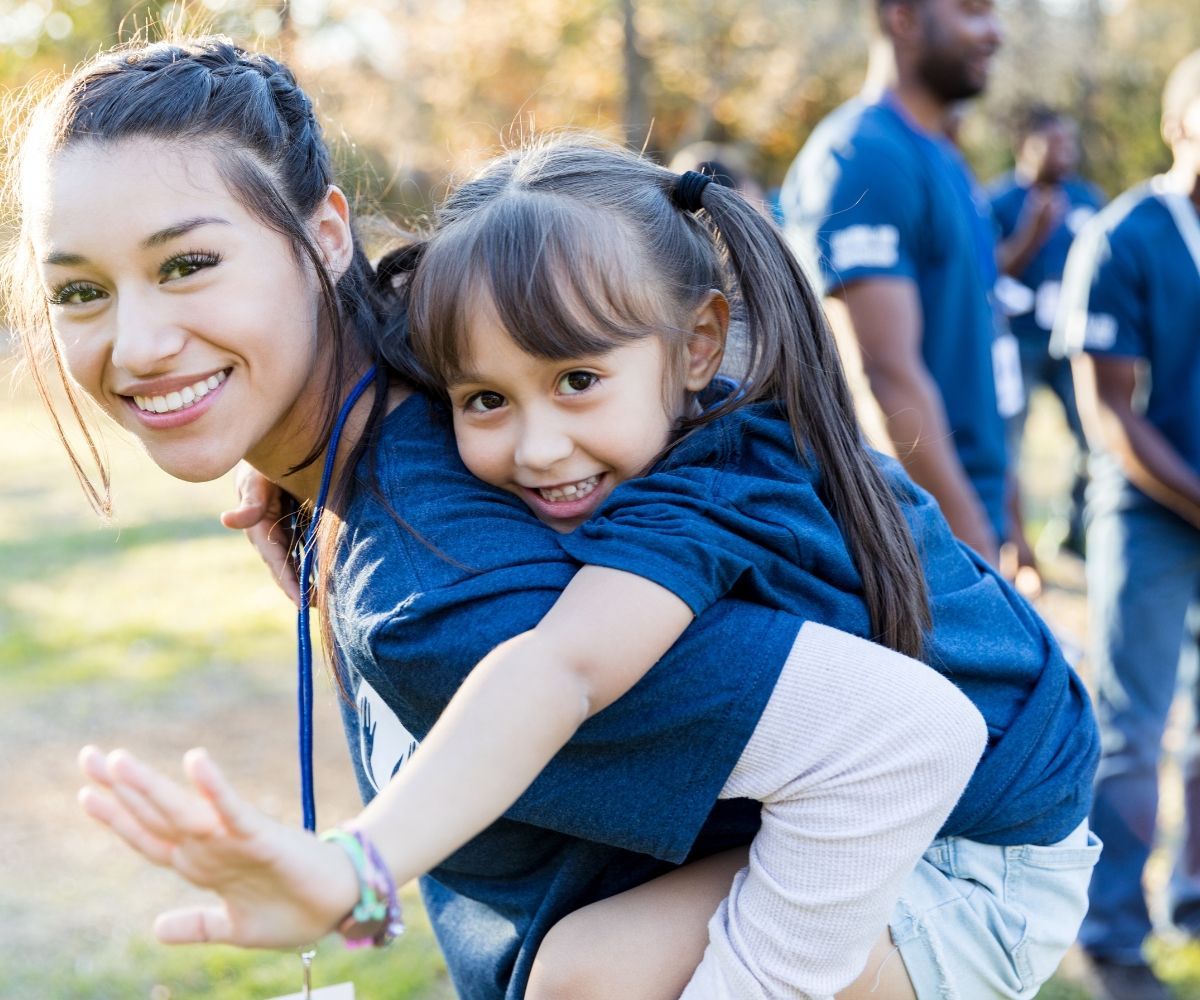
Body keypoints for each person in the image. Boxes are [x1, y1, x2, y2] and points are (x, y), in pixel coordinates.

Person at [5, 36, 1094, 1000]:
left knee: (587, 979)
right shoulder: (461, 355)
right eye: (79, 290)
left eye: (188, 263)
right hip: (974, 769)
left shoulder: (447, 585)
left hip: (973, 834)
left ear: (326, 231)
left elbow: (895, 736)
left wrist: (356, 870)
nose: (137, 341)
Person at [1053, 48, 1200, 1000]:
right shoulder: (1123, 236)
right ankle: (1110, 932)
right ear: (1183, 123)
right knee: (1133, 729)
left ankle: (1191, 904)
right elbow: (1110, 413)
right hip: (1149, 512)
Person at [781, 0, 1016, 570]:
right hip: (919, 536)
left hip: (967, 513)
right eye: (972, 11)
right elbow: (883, 374)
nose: (995, 32)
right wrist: (972, 550)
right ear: (903, 18)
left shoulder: (942, 155)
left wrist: (1006, 513)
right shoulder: (866, 155)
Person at [989, 107, 1104, 559]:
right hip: (1019, 341)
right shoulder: (998, 202)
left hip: (1074, 342)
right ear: (1025, 146)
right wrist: (1031, 234)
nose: (1065, 154)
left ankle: (1073, 529)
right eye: (1053, 144)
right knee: (1010, 440)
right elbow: (990, 273)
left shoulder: (1087, 199)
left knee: (1093, 435)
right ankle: (1009, 538)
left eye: (1069, 144)